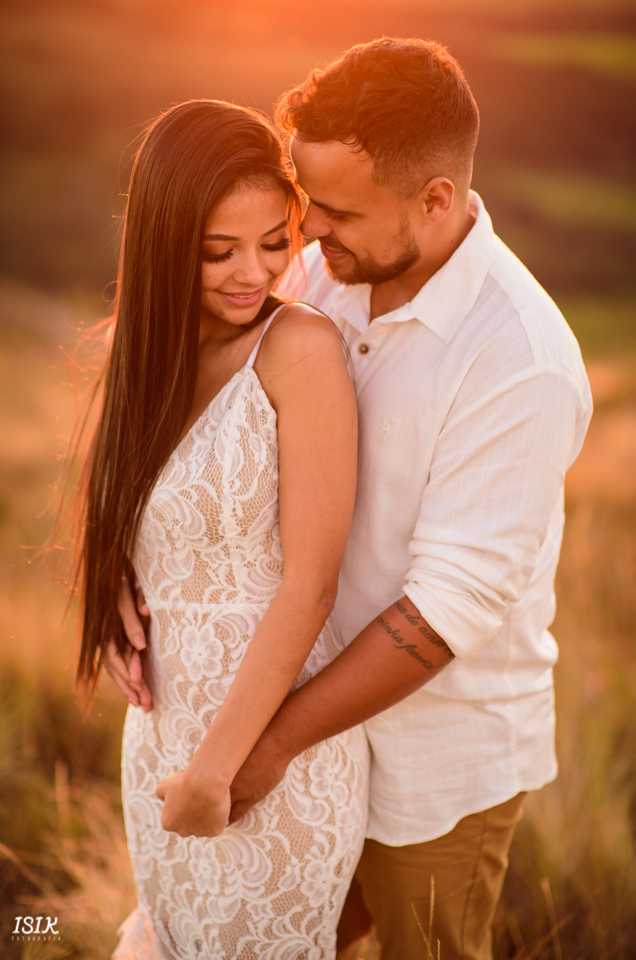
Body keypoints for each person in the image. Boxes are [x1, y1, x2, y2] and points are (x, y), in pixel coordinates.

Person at [113, 40, 593, 960]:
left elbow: (445, 608)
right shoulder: (335, 265)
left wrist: (266, 743)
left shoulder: (517, 359)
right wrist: (124, 578)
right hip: (293, 737)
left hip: (430, 760)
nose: (307, 239)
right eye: (308, 208)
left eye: (332, 214)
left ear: (435, 201)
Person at [72, 99, 369, 959]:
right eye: (218, 252)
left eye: (276, 243)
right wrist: (119, 585)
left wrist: (217, 769)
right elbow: (137, 509)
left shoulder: (298, 348)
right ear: (167, 246)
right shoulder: (145, 356)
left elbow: (312, 582)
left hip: (263, 765)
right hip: (159, 744)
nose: (253, 273)